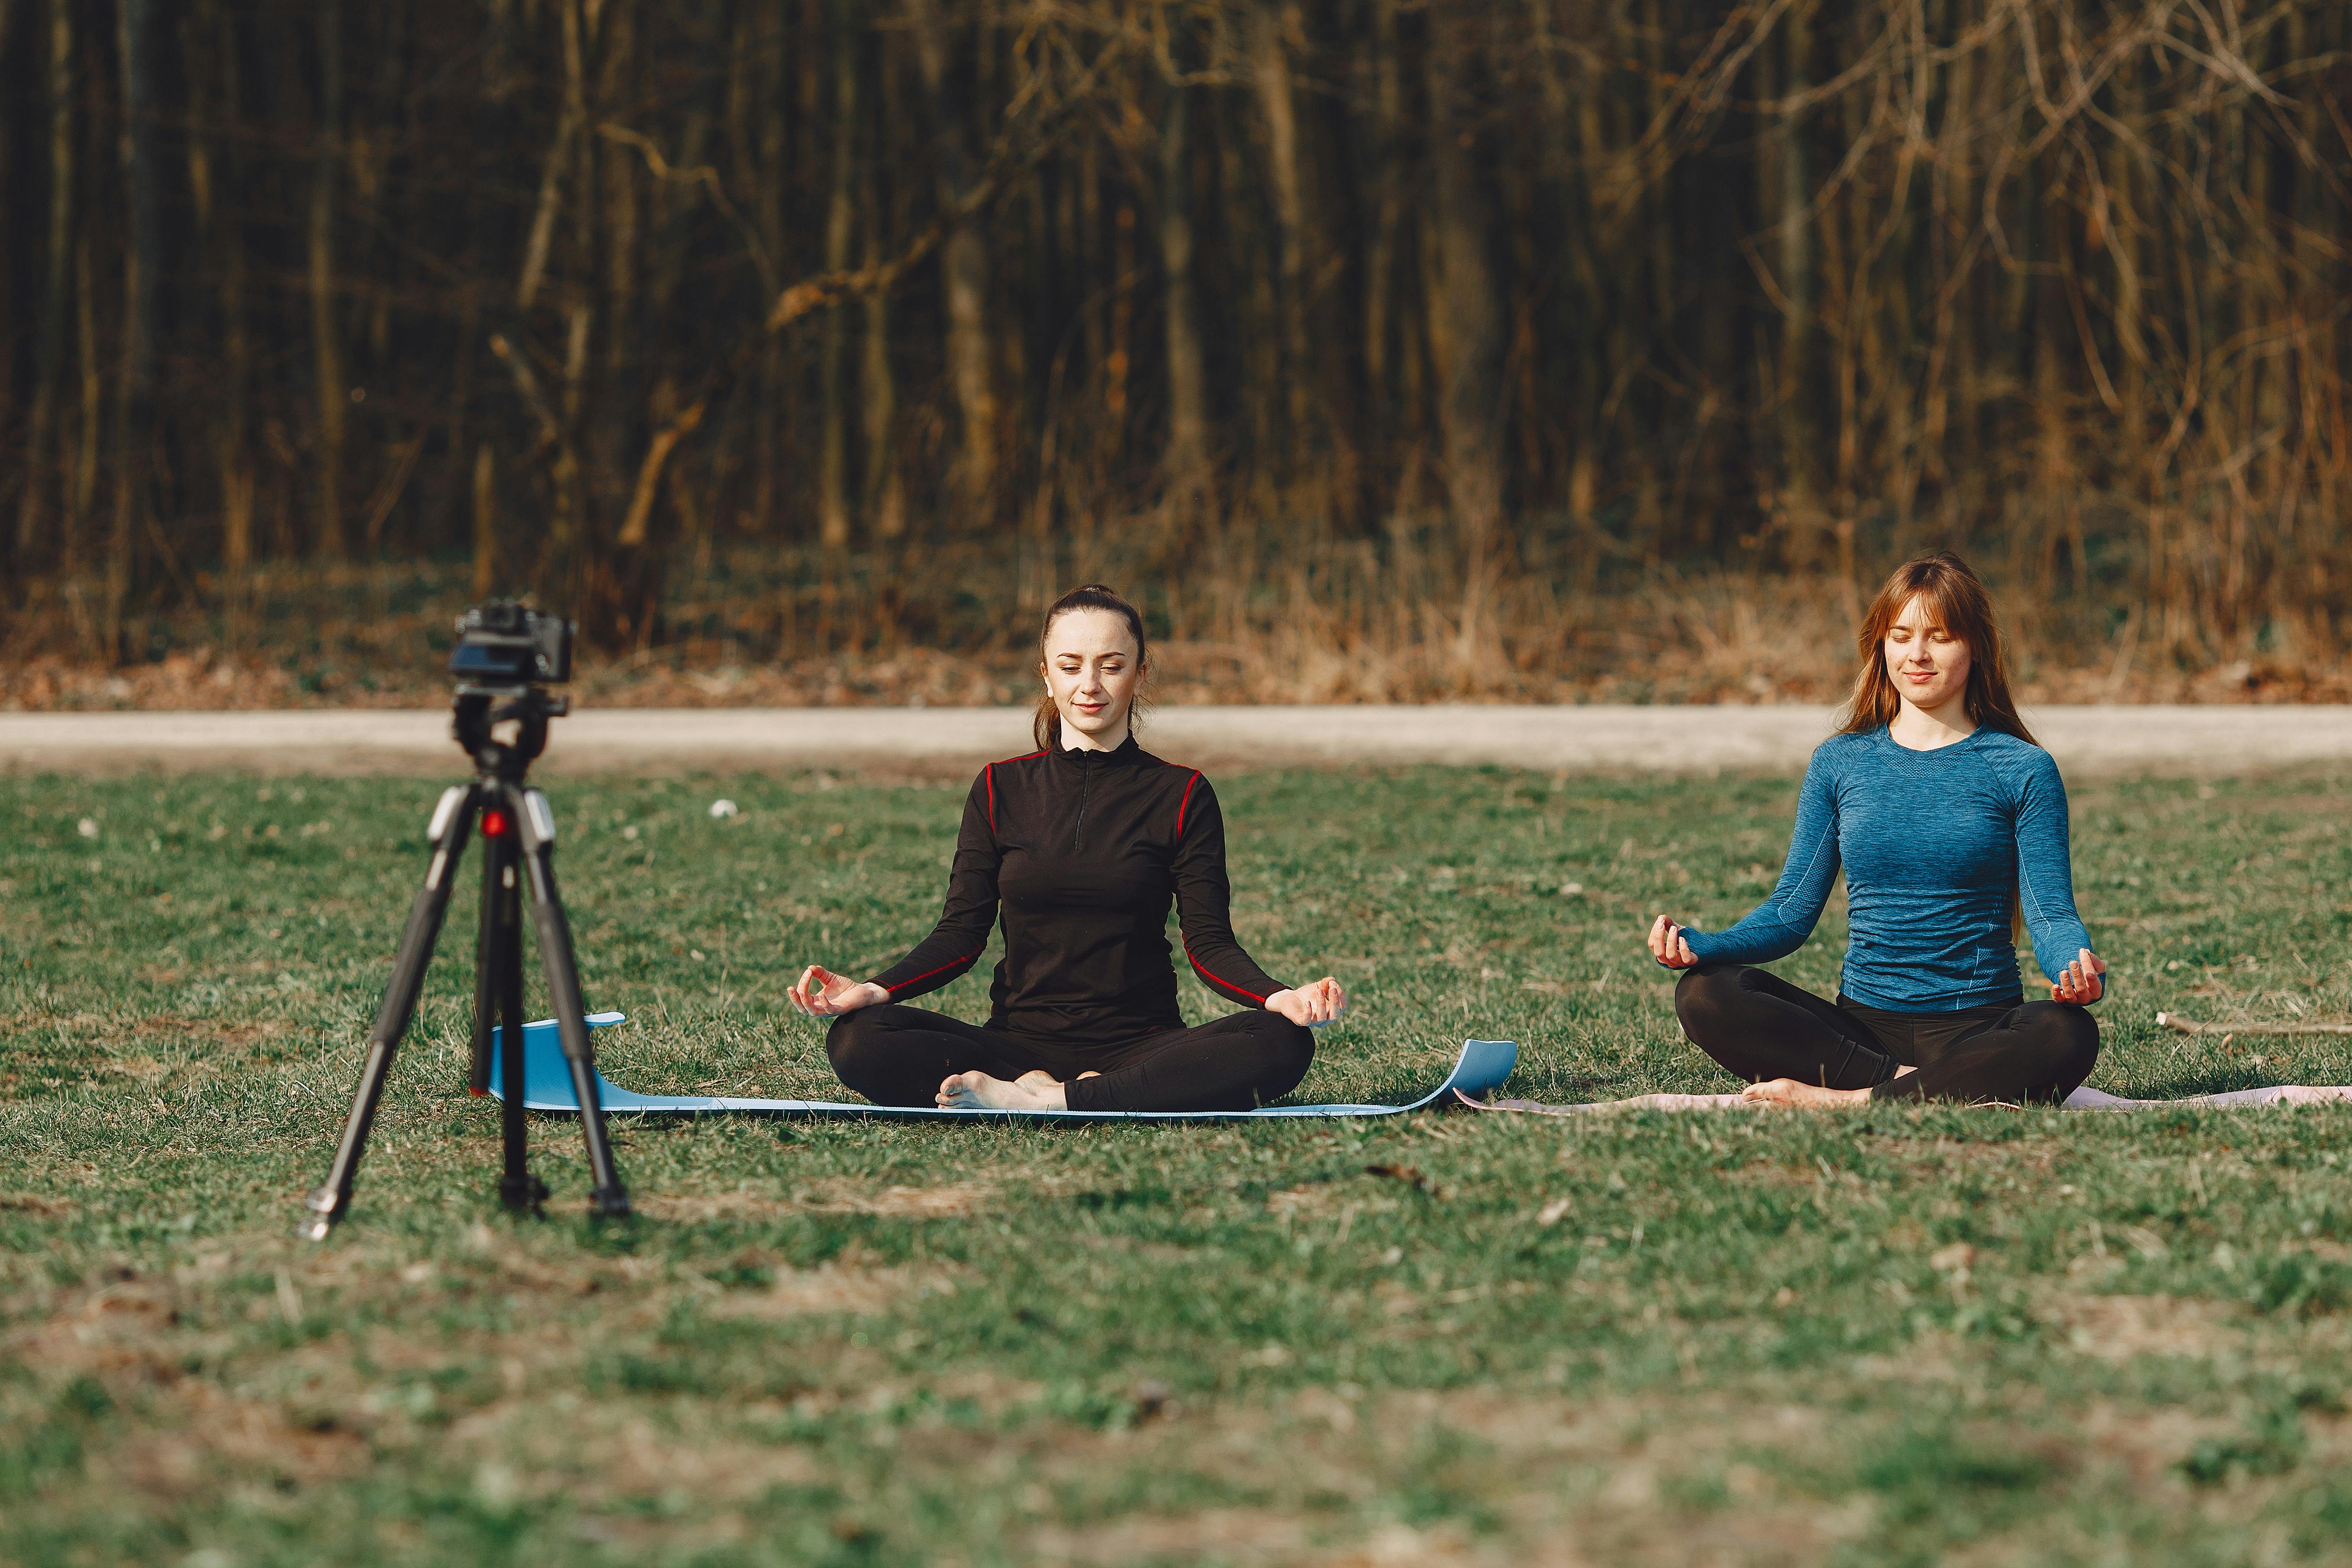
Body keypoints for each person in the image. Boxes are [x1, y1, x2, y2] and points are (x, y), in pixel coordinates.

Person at [788, 583, 1347, 1112]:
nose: (1090, 686)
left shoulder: (1182, 794)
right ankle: (1058, 1088)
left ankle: (1046, 1098)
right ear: (1046, 676)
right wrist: (874, 989)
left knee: (1282, 1042)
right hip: (1012, 1049)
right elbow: (959, 936)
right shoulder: (997, 788)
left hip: (1142, 1045)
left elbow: (1208, 944)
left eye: (1112, 665)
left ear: (1139, 673)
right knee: (858, 1039)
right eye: (1071, 665)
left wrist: (1278, 998)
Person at [1646, 552, 2106, 1107]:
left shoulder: (2022, 769)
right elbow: (1789, 912)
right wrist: (1704, 945)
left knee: (2067, 1032)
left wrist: (2073, 967)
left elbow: (2050, 912)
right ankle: (1928, 1088)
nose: (1917, 654)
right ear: (1880, 644)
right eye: (1901, 635)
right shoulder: (1840, 762)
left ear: (1976, 646)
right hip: (1862, 1033)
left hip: (1979, 1029)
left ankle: (1848, 1100)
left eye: (1939, 636)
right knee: (1706, 994)